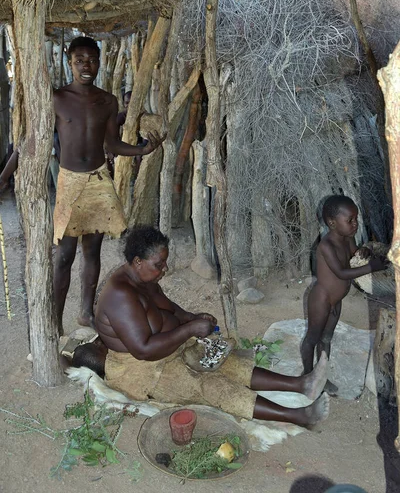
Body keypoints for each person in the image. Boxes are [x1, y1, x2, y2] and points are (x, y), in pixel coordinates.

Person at [73, 226, 330, 428]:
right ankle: (299, 416)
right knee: (211, 386)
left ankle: (301, 385)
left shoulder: (142, 277)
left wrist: (189, 316)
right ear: (137, 261)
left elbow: (166, 304)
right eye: (158, 265)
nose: (164, 270)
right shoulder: (120, 295)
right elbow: (143, 350)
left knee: (230, 363)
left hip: (167, 349)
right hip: (142, 371)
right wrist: (189, 330)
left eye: (165, 263)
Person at [53, 37, 165, 335]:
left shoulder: (107, 101)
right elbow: (32, 142)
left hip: (99, 179)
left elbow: (112, 144)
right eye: (79, 60)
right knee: (64, 255)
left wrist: (141, 150)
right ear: (70, 61)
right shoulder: (58, 98)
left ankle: (86, 314)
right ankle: (53, 323)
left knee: (93, 251)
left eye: (91, 60)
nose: (86, 66)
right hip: (70, 181)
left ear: (100, 61)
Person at [300, 195, 387, 394]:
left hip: (336, 301)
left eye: (356, 219)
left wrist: (363, 252)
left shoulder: (348, 238)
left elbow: (354, 253)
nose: (355, 224)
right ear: (332, 223)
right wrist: (371, 268)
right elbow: (341, 272)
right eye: (350, 220)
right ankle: (306, 377)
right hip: (321, 300)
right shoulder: (326, 246)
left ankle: (320, 377)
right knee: (312, 339)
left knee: (326, 339)